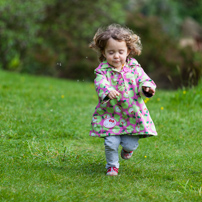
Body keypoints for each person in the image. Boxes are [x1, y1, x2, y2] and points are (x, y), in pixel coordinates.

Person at [89, 24, 157, 176]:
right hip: (111, 113)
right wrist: (107, 90)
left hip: (131, 114)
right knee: (111, 143)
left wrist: (147, 87)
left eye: (120, 52)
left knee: (130, 144)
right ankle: (112, 166)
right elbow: (100, 82)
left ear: (128, 51)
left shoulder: (134, 67)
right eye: (111, 52)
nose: (116, 56)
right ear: (104, 53)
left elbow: (143, 79)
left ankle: (128, 150)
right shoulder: (103, 70)